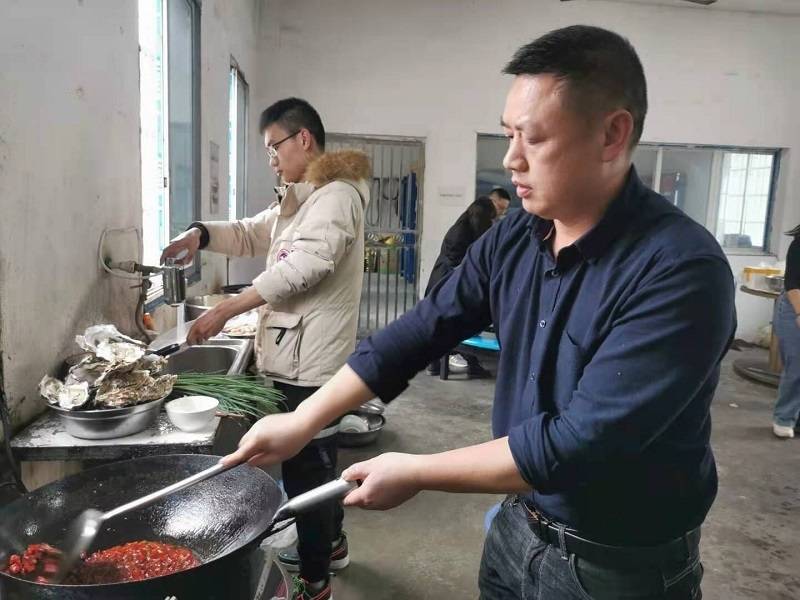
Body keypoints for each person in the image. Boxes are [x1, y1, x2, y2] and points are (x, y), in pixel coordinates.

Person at [223, 26, 736, 600]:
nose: (511, 159)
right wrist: (304, 420)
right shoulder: (518, 233)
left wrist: (417, 471)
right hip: (519, 523)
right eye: (508, 134)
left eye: (533, 138)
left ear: (612, 134)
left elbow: (577, 444)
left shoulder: (680, 271)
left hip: (617, 565)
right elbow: (425, 327)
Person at [161, 97, 370, 600]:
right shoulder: (304, 198)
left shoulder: (336, 197)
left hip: (309, 365)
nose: (271, 159)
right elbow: (252, 233)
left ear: (304, 139)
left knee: (307, 476)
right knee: (319, 464)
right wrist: (199, 235)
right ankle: (332, 547)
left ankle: (315, 582)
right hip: (299, 354)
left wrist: (226, 310)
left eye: (274, 147)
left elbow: (305, 267)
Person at [425, 195, 496, 378]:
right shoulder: (461, 232)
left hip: (444, 282)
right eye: (491, 218)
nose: (492, 222)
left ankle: (436, 365)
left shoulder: (465, 226)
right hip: (446, 283)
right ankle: (469, 364)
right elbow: (457, 262)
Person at [772, 224, 800, 438]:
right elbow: (793, 284)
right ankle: (784, 418)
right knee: (797, 366)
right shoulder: (798, 244)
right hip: (795, 305)